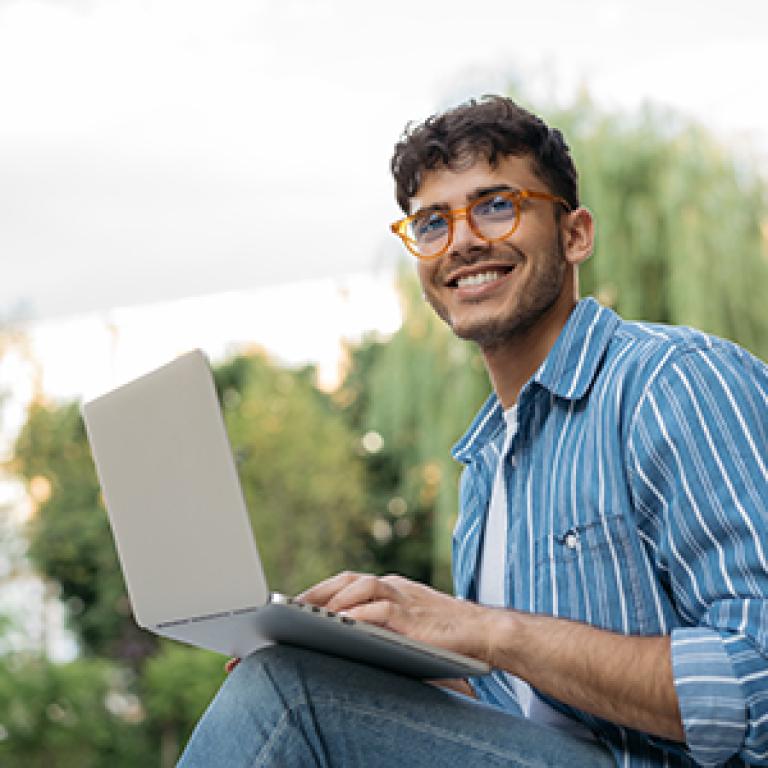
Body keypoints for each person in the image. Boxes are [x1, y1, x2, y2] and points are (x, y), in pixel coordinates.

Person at [177, 96, 768, 767]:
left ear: (574, 234)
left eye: (496, 204)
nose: (461, 242)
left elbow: (759, 680)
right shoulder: (487, 462)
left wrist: (486, 630)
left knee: (288, 697)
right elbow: (517, 713)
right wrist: (381, 660)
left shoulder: (674, 383)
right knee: (298, 680)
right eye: (432, 222)